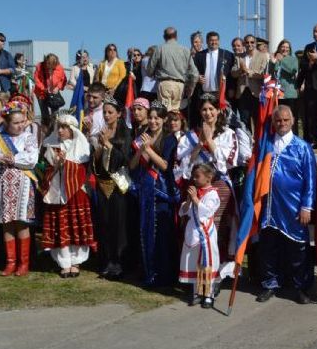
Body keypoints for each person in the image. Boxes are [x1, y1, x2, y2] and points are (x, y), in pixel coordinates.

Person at [255, 106, 316, 304]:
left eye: (285, 120)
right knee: (268, 248)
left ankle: (301, 287)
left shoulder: (302, 147)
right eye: (278, 120)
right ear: (274, 122)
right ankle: (270, 284)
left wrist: (307, 206)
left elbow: (310, 180)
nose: (282, 123)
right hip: (269, 207)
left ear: (292, 121)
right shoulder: (267, 144)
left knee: (297, 249)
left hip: (293, 208)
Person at [176, 94, 240, 263]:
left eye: (211, 109)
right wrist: (199, 144)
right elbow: (184, 168)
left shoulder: (228, 134)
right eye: (204, 109)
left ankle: (216, 271)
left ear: (218, 111)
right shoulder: (191, 136)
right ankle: (197, 269)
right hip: (197, 187)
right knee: (197, 227)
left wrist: (209, 140)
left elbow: (226, 163)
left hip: (219, 186)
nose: (208, 113)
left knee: (216, 229)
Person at [0, 98, 40, 277]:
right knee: (7, 223)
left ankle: (24, 263)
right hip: (1, 184)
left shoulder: (28, 138)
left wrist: (13, 159)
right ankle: (10, 262)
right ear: (6, 122)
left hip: (21, 185)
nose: (20, 126)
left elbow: (32, 159)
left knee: (21, 223)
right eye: (15, 123)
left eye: (22, 122)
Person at [40, 113, 95, 278]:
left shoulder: (81, 146)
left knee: (75, 224)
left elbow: (83, 170)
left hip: (77, 193)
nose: (61, 130)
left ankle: (76, 261)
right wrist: (57, 164)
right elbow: (46, 170)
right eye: (59, 127)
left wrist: (68, 164)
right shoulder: (51, 145)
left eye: (65, 127)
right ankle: (64, 261)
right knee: (61, 224)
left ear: (72, 129)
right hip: (57, 193)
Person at [131, 102, 179, 286]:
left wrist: (149, 149)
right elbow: (133, 165)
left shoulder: (169, 139)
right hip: (145, 189)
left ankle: (164, 275)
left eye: (156, 118)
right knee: (145, 231)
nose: (152, 121)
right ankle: (149, 272)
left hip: (162, 191)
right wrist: (142, 150)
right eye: (150, 117)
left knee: (162, 233)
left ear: (164, 119)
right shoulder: (142, 137)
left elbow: (165, 166)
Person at [91, 96, 131, 280]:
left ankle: (120, 262)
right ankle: (107, 261)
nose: (107, 115)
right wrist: (100, 146)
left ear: (119, 114)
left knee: (120, 224)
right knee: (105, 223)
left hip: (119, 185)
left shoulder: (126, 133)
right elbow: (95, 162)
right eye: (105, 112)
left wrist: (108, 144)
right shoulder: (102, 132)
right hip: (104, 184)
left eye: (110, 112)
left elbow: (124, 160)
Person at [178, 163, 221, 308]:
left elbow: (207, 212)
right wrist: (190, 200)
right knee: (194, 262)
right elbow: (183, 211)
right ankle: (197, 292)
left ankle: (208, 294)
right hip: (193, 232)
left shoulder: (212, 194)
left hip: (205, 233)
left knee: (206, 262)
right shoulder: (194, 193)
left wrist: (195, 199)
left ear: (209, 177)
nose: (194, 179)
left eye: (197, 176)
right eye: (193, 176)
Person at [147, 27, 199, 112]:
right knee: (175, 113)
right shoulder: (185, 50)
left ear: (164, 37)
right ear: (176, 36)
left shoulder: (159, 49)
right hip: (180, 85)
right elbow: (194, 73)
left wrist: (155, 71)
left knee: (165, 113)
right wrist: (191, 87)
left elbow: (149, 71)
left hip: (164, 84)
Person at [231, 34, 269, 132]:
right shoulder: (239, 57)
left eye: (252, 42)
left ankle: (257, 144)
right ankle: (247, 143)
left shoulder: (262, 56)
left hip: (257, 93)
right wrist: (241, 70)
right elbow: (233, 73)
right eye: (247, 42)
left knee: (257, 120)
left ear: (255, 43)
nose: (249, 44)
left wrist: (247, 71)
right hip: (243, 92)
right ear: (244, 44)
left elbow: (262, 74)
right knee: (244, 120)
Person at [192, 31, 235, 101]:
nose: (214, 42)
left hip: (221, 93)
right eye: (211, 40)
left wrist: (231, 88)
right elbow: (193, 71)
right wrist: (197, 77)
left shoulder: (228, 55)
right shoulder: (199, 55)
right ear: (207, 41)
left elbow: (231, 74)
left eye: (216, 40)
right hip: (204, 93)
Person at [271, 40, 300, 134]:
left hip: (289, 93)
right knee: (278, 117)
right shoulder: (275, 58)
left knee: (290, 117)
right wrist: (272, 62)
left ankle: (293, 136)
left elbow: (292, 71)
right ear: (279, 48)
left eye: (287, 47)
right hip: (277, 93)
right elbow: (271, 74)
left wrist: (281, 60)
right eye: (283, 47)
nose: (285, 49)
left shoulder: (293, 59)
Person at [33, 53, 67, 125]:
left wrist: (58, 87)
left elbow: (63, 79)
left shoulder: (59, 68)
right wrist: (44, 88)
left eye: (53, 66)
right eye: (49, 66)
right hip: (41, 93)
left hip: (54, 93)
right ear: (46, 62)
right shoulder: (40, 66)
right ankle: (46, 129)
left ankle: (54, 128)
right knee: (45, 113)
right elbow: (36, 79)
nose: (51, 68)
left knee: (55, 113)